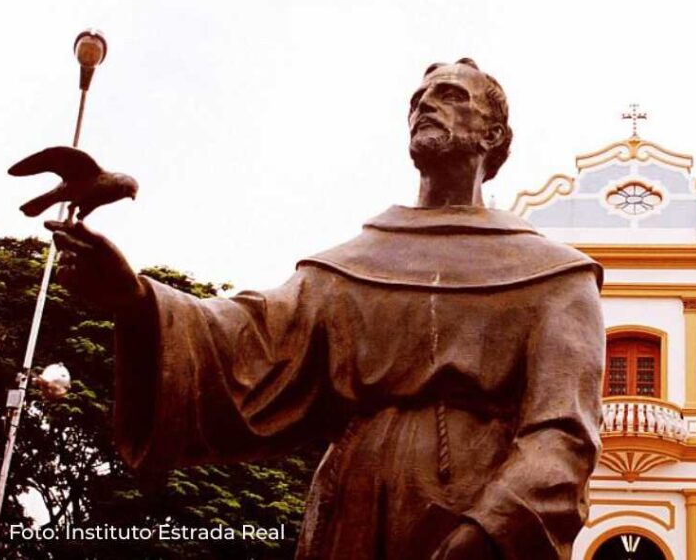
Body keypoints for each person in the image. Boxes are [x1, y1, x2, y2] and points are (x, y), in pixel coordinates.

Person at [45, 58, 605, 560]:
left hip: (476, 515)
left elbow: (563, 433)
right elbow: (248, 340)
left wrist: (491, 530)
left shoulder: (554, 276)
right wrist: (136, 300)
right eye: (418, 99)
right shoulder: (353, 265)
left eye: (452, 95)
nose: (426, 104)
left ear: (494, 133)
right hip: (351, 511)